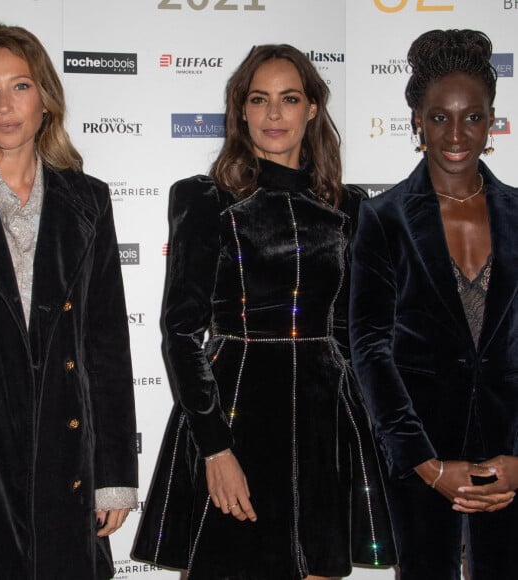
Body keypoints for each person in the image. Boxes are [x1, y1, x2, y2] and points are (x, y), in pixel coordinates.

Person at [133, 44, 395, 579]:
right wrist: (215, 450)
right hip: (233, 414)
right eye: (260, 99)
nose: (274, 114)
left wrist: (369, 436)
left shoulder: (352, 208)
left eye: (289, 99)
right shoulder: (204, 199)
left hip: (325, 421)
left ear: (312, 109)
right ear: (241, 110)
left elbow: (354, 334)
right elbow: (181, 333)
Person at [0, 24, 138, 579]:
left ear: (45, 98)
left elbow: (106, 345)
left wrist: (114, 473)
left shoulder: (87, 200)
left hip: (63, 459)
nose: (5, 105)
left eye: (20, 86)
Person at [349, 29, 518, 580]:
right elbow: (369, 349)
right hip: (424, 455)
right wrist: (425, 463)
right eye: (439, 116)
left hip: (510, 453)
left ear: (491, 121)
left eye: (472, 116)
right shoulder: (384, 217)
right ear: (416, 121)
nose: (456, 133)